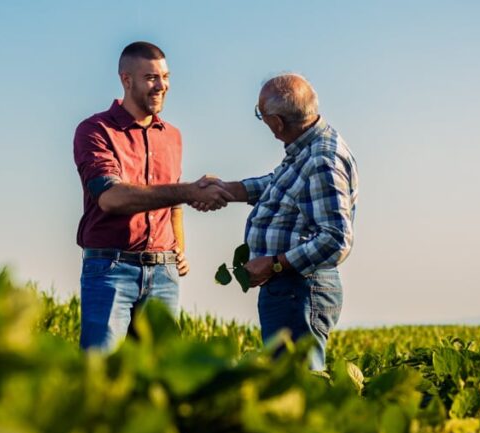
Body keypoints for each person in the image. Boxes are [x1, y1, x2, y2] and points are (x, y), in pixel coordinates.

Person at [74, 41, 234, 352]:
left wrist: (179, 248)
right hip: (110, 270)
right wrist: (190, 191)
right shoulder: (95, 130)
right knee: (100, 374)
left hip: (164, 275)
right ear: (126, 80)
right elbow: (111, 198)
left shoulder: (172, 136)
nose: (162, 86)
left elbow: (171, 202)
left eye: (165, 76)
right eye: (151, 78)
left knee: (158, 378)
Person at [197, 74, 358, 371]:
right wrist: (227, 189)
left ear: (278, 122)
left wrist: (273, 264)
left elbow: (336, 239)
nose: (263, 122)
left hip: (299, 290)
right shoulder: (306, 150)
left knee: (296, 386)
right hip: (292, 289)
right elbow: (277, 185)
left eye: (262, 115)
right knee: (285, 381)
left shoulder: (322, 159)